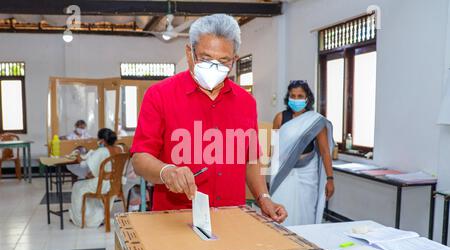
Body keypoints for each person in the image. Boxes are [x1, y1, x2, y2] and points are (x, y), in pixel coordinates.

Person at [131, 14, 287, 223]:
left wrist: (264, 197)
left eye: (223, 61)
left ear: (234, 60)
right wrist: (166, 171)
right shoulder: (160, 95)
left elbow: (251, 160)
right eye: (205, 59)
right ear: (190, 53)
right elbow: (140, 159)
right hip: (176, 219)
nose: (214, 67)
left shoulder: (246, 102)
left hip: (231, 218)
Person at [270, 80, 334, 226]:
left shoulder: (315, 121)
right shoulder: (280, 118)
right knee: (280, 204)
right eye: (293, 96)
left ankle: (306, 239)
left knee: (306, 208)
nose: (296, 99)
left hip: (307, 172)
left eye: (300, 96)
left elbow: (324, 151)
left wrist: (330, 178)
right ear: (288, 98)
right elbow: (273, 148)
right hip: (283, 171)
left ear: (307, 98)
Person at [69, 128, 123, 228]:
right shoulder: (120, 149)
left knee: (77, 186)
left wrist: (78, 157)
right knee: (89, 184)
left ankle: (79, 219)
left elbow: (83, 165)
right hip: (116, 183)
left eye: (98, 139)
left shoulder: (101, 150)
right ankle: (97, 217)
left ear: (102, 140)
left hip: (103, 185)